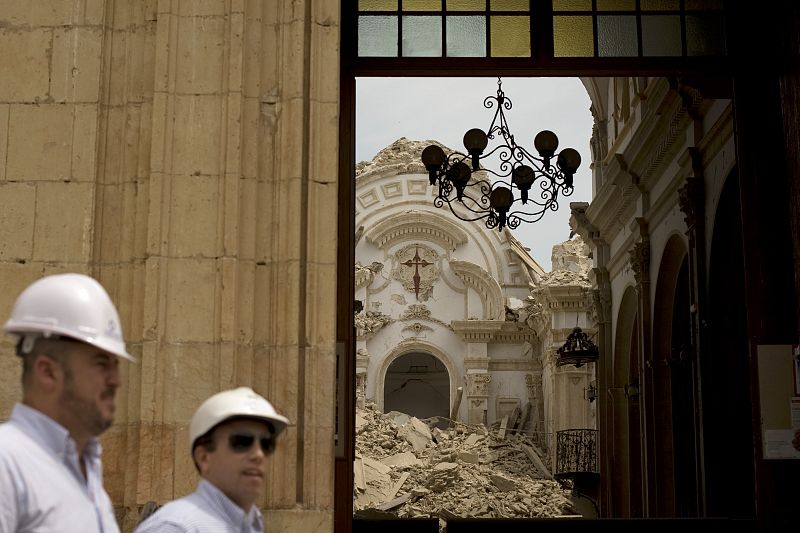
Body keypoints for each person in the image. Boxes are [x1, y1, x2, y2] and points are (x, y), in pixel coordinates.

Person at [0, 273, 135, 532]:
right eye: (101, 364)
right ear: (48, 372)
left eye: (116, 365)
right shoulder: (7, 463)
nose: (116, 380)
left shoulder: (88, 473)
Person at [134, 386, 289, 533]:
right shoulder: (175, 527)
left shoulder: (252, 524)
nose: (258, 454)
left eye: (267, 444)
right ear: (204, 458)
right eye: (242, 441)